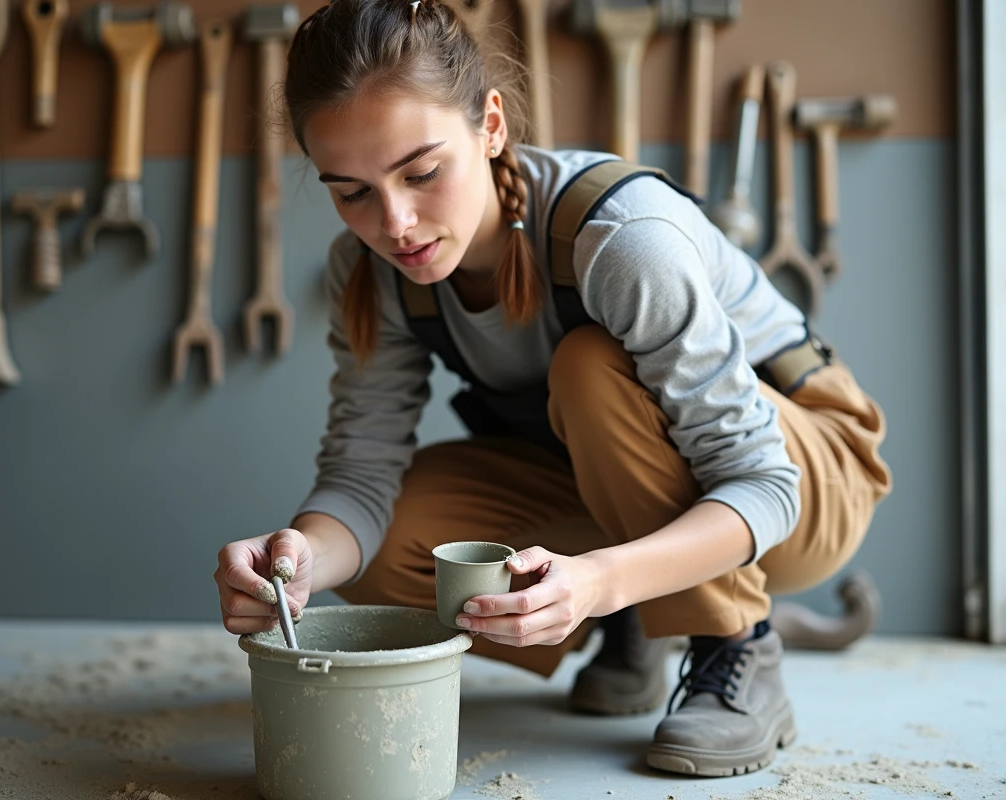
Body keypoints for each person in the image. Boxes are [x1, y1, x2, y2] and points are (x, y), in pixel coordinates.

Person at [213, 0, 891, 777]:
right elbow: (360, 478)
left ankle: (736, 644)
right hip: (623, 486)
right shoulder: (371, 274)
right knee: (398, 539)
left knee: (589, 366)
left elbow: (765, 481)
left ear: (491, 125)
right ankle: (648, 618)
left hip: (812, 475)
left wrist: (600, 579)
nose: (395, 223)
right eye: (351, 191)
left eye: (423, 171)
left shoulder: (622, 239)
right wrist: (297, 562)